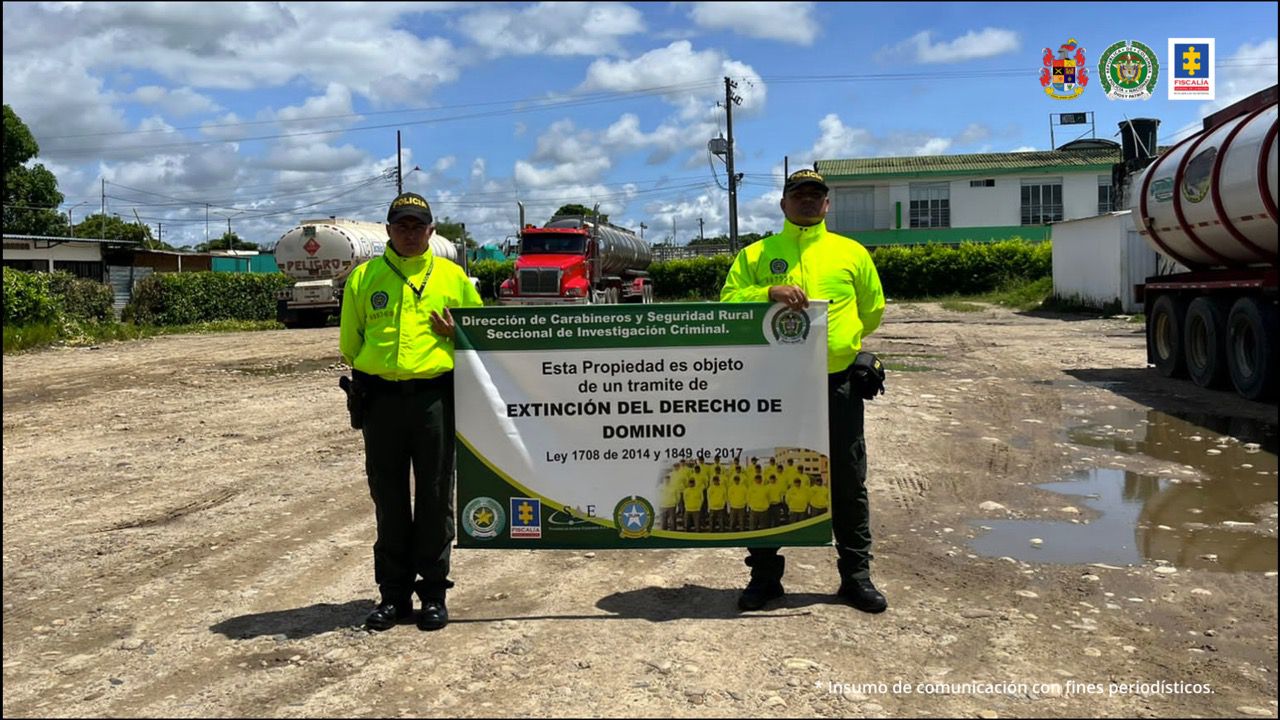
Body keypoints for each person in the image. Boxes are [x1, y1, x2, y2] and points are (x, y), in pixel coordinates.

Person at [720, 168, 888, 614]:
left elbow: (871, 313)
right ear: (783, 204)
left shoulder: (851, 254)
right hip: (771, 385)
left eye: (816, 195)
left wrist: (845, 349)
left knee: (848, 481)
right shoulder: (757, 254)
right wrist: (766, 292)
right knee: (765, 475)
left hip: (837, 384)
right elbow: (726, 304)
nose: (808, 202)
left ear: (827, 204)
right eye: (799, 195)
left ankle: (856, 578)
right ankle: (764, 580)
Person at [339, 191, 483, 632]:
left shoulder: (453, 277)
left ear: (431, 231)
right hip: (380, 401)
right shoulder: (364, 278)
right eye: (401, 225)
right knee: (389, 497)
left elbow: (481, 336)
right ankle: (393, 595)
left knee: (436, 494)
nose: (409, 233)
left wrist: (455, 331)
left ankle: (434, 594)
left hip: (434, 399)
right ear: (387, 230)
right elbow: (350, 343)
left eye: (418, 226)